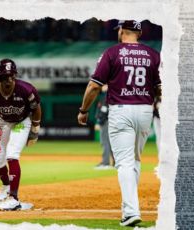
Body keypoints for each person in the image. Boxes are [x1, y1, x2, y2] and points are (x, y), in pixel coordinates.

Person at [77, 20, 161, 227]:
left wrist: (84, 110)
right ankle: (128, 209)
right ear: (139, 33)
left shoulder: (112, 52)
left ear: (122, 31)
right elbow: (160, 89)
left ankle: (131, 212)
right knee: (135, 160)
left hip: (121, 109)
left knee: (123, 162)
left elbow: (94, 86)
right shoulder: (153, 54)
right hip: (145, 110)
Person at [0, 58, 42, 211]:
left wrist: (35, 130)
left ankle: (13, 198)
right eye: (5, 78)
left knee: (12, 155)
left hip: (22, 121)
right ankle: (6, 186)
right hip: (3, 122)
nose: (9, 81)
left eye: (12, 77)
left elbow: (36, 108)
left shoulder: (26, 90)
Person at [94, 84, 114, 170]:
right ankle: (115, 162)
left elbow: (104, 109)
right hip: (109, 121)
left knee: (104, 142)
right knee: (110, 142)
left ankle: (105, 163)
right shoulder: (109, 95)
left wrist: (99, 122)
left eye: (104, 85)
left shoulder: (107, 95)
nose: (102, 87)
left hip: (105, 121)